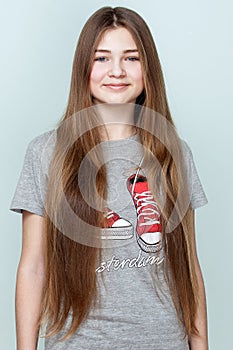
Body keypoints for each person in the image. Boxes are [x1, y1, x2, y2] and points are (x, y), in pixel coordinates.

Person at [10, 6, 209, 350]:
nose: (116, 71)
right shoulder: (46, 152)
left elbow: (188, 267)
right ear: (83, 67)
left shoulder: (174, 152)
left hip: (163, 341)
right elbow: (33, 266)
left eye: (131, 58)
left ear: (148, 69)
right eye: (102, 58)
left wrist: (200, 344)